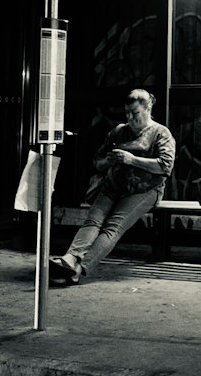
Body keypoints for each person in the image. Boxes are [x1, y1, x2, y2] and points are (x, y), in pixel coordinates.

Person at [49, 89, 176, 285]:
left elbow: (165, 166)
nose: (130, 117)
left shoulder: (161, 133)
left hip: (145, 189)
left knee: (112, 228)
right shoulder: (118, 131)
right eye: (127, 112)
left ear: (148, 108)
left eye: (135, 113)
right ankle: (70, 258)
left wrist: (132, 160)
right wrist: (107, 162)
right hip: (113, 185)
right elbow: (96, 162)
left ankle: (78, 268)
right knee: (92, 221)